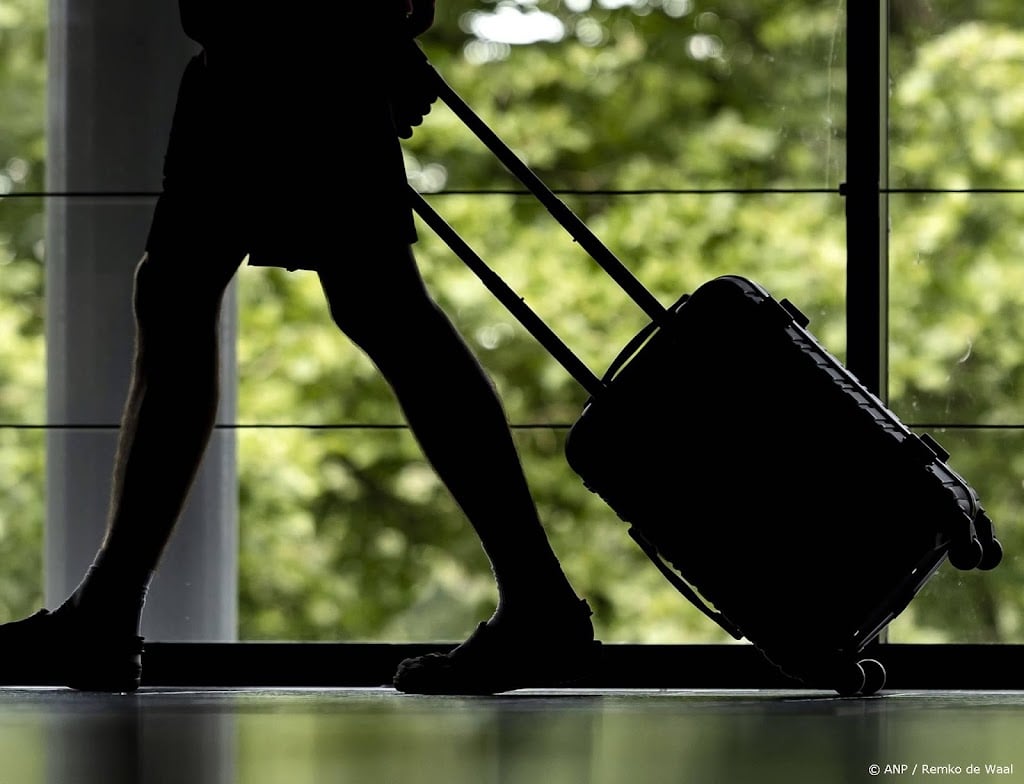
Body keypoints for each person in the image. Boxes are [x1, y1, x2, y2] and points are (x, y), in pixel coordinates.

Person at [0, 1, 599, 695]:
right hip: (288, 48)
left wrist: (365, 33)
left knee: (321, 302)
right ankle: (537, 600)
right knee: (334, 302)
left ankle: (102, 619)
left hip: (281, 51)